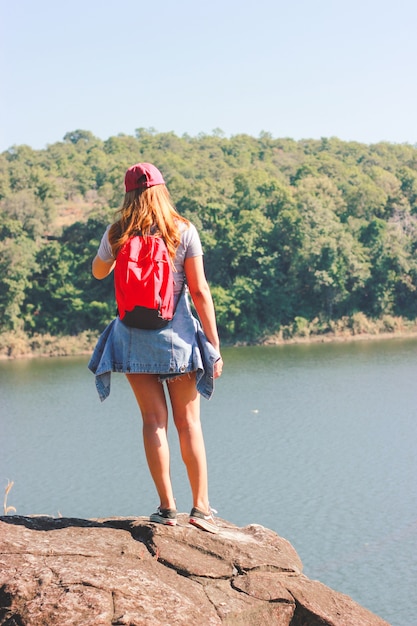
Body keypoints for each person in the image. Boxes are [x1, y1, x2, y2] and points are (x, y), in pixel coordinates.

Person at [88, 162, 223, 533]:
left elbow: (99, 272)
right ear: (163, 189)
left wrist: (114, 251)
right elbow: (199, 291)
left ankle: (167, 508)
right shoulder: (182, 230)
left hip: (132, 342)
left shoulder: (117, 232)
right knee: (189, 423)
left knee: (153, 422)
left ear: (128, 193)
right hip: (177, 343)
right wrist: (213, 344)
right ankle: (201, 509)